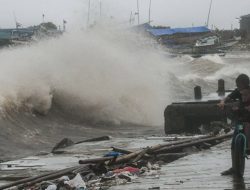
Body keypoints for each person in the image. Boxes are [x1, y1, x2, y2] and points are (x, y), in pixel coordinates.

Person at [218, 73, 250, 175]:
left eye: (239, 85)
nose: (238, 88)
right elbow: (229, 97)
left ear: (245, 84)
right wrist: (223, 102)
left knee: (246, 144)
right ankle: (234, 168)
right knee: (234, 143)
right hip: (241, 119)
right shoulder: (238, 91)